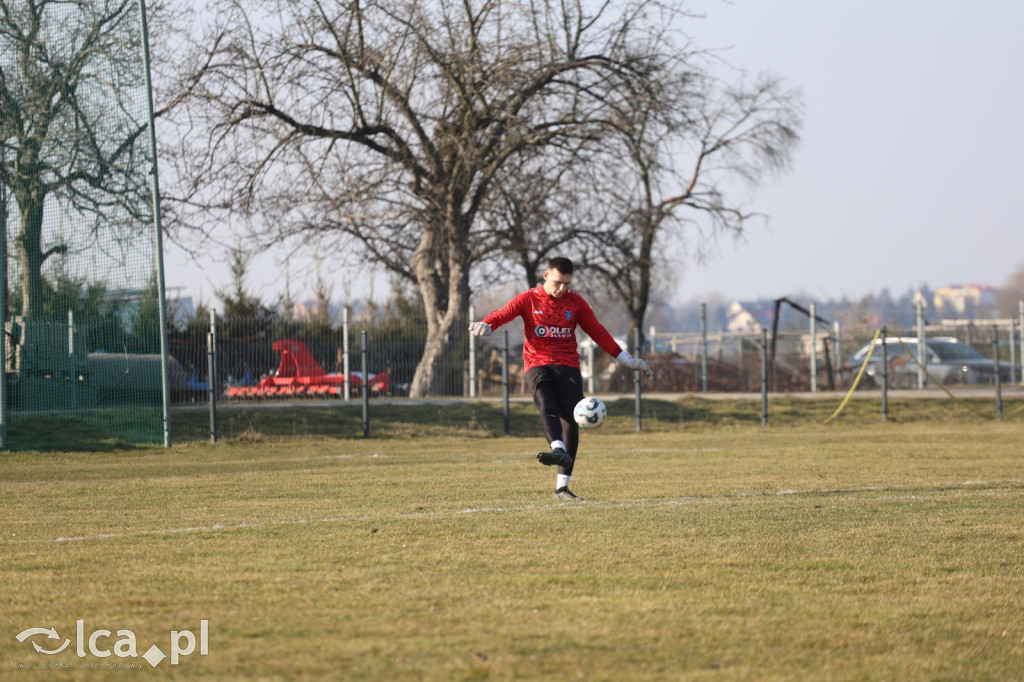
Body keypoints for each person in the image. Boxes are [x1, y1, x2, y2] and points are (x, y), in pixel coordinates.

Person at [469, 257, 652, 501]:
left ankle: (562, 489)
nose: (562, 288)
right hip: (537, 363)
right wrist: (487, 325)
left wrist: (628, 360)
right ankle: (557, 447)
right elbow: (503, 313)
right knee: (546, 402)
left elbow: (597, 331)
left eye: (567, 283)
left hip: (568, 365)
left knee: (571, 419)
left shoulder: (575, 302)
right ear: (546, 276)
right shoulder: (528, 299)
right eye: (557, 282)